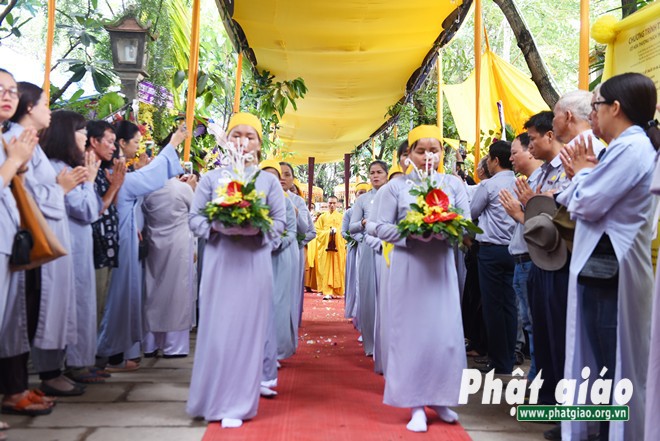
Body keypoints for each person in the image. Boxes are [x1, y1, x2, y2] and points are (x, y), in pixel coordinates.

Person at [558, 72, 658, 441]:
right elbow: (577, 199)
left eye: (597, 105)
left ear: (615, 107)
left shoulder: (632, 148)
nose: (593, 114)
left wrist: (581, 175)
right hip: (602, 267)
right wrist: (582, 177)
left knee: (610, 363)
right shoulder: (623, 147)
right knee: (600, 362)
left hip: (611, 270)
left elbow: (587, 202)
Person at [187, 112, 286, 428]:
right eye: (236, 135)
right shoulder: (211, 179)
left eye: (250, 136)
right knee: (217, 331)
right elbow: (195, 219)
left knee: (246, 332)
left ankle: (237, 403)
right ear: (227, 141)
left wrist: (257, 229)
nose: (242, 142)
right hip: (220, 262)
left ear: (259, 144)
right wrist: (217, 227)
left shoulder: (268, 182)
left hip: (254, 263)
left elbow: (280, 223)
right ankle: (210, 397)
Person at [372, 124, 470, 432]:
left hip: (441, 269)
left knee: (444, 336)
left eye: (434, 150)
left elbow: (467, 224)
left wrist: (448, 229)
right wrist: (410, 234)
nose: (428, 156)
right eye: (421, 150)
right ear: (408, 155)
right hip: (409, 268)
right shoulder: (396, 188)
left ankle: (440, 399)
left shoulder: (453, 184)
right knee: (411, 336)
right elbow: (377, 226)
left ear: (442, 153)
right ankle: (414, 404)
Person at [8, 82, 88, 396]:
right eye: (44, 104)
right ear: (29, 107)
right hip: (27, 237)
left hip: (47, 232)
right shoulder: (16, 141)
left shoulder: (31, 144)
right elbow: (25, 195)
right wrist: (61, 188)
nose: (49, 111)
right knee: (26, 313)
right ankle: (32, 381)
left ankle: (40, 377)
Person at [96, 123, 186, 371]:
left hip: (122, 240)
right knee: (116, 299)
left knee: (119, 299)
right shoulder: (117, 177)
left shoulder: (119, 175)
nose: (114, 149)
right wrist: (174, 143)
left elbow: (145, 179)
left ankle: (114, 354)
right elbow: (150, 178)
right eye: (134, 142)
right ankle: (108, 355)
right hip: (117, 243)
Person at [40, 110, 104, 384]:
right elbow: (86, 209)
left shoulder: (63, 165)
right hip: (66, 243)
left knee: (80, 303)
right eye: (82, 133)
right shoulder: (59, 168)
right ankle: (66, 367)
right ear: (67, 135)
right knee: (69, 306)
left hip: (76, 243)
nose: (86, 139)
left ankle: (79, 363)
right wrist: (89, 182)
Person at [0, 68, 47, 418]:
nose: (7, 96)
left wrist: (21, 165)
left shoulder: (8, 138)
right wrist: (16, 161)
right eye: (0, 89)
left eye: (12, 90)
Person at [470, 140, 517, 375]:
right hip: (513, 250)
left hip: (490, 251)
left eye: (488, 158)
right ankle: (509, 356)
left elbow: (471, 212)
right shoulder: (520, 183)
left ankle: (499, 361)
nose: (487, 163)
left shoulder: (489, 185)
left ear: (496, 160)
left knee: (492, 306)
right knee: (509, 305)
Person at [498, 133, 543, 377]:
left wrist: (520, 214)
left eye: (514, 153)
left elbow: (544, 225)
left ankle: (538, 377)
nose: (511, 158)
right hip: (520, 259)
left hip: (531, 260)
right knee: (528, 322)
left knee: (535, 323)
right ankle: (536, 375)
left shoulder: (540, 182)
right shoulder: (529, 181)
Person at [141, 168, 198, 358]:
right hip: (179, 245)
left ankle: (150, 343)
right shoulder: (182, 189)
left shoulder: (148, 188)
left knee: (153, 291)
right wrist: (191, 189)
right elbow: (196, 213)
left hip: (154, 242)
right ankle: (174, 346)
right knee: (177, 294)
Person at [87, 121, 125, 334]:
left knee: (101, 308)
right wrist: (115, 186)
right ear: (94, 141)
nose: (113, 147)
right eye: (109, 142)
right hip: (95, 249)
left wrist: (115, 187)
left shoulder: (101, 171)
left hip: (107, 247)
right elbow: (97, 209)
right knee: (92, 308)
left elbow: (111, 206)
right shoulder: (86, 170)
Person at [350, 161, 388, 361]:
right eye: (372, 172)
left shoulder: (393, 194)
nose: (375, 176)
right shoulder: (363, 200)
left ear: (387, 174)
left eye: (379, 172)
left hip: (391, 248)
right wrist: (363, 223)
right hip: (368, 248)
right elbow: (352, 227)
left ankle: (387, 342)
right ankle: (370, 343)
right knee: (368, 293)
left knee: (387, 294)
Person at [343, 182, 369, 322]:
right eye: (360, 193)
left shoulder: (371, 209)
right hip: (355, 249)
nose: (363, 195)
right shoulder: (349, 212)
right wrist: (360, 239)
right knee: (354, 278)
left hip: (370, 246)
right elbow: (345, 231)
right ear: (355, 195)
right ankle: (353, 309)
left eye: (365, 192)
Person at [314, 195, 346, 299]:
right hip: (325, 248)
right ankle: (326, 290)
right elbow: (317, 231)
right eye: (330, 203)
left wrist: (337, 234)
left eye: (334, 203)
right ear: (327, 204)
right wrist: (329, 233)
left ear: (338, 204)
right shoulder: (322, 217)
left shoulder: (341, 217)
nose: (332, 205)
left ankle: (336, 290)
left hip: (337, 248)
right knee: (324, 267)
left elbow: (345, 232)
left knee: (338, 267)